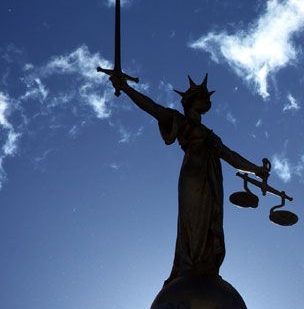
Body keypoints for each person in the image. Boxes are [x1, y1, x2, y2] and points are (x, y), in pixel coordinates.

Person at [108, 72, 269, 283]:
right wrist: (127, 89)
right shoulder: (180, 121)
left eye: (207, 98)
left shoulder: (211, 136)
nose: (207, 101)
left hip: (212, 181)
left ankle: (206, 266)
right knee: (193, 221)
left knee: (211, 222)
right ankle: (189, 267)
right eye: (202, 97)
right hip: (192, 177)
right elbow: (153, 108)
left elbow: (231, 157)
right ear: (191, 102)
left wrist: (256, 170)